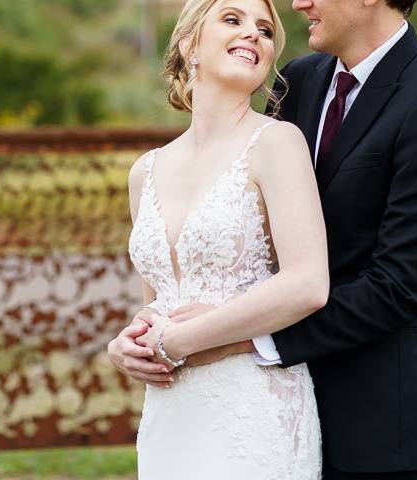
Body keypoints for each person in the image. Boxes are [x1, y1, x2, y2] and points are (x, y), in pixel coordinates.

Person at [112, 0, 417, 479]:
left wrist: (235, 338)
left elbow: (398, 287)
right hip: (255, 408)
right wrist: (136, 340)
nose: (298, 3)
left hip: (382, 433)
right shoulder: (300, 80)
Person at [108, 0, 328, 477]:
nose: (254, 34)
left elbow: (308, 284)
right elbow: (159, 304)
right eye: (233, 19)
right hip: (171, 413)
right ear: (190, 44)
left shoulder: (277, 143)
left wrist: (180, 340)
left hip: (253, 410)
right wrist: (126, 345)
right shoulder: (146, 171)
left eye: (266, 31)